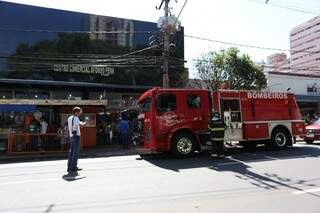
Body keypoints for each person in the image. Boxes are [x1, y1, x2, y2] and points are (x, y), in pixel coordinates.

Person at [67, 107, 86, 172]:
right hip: (76, 136)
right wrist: (84, 123)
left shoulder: (69, 118)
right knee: (75, 152)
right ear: (76, 112)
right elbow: (81, 126)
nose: (79, 114)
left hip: (71, 136)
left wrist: (80, 123)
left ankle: (69, 167)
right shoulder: (76, 118)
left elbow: (75, 124)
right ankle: (73, 167)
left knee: (71, 152)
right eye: (79, 112)